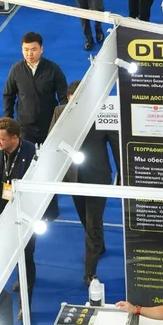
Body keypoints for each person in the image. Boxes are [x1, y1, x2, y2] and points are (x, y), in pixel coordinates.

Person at [50, 81, 118, 283]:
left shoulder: (103, 112)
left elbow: (115, 143)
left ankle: (90, 272)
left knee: (93, 223)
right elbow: (52, 142)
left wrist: (122, 174)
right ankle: (99, 246)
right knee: (85, 219)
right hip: (73, 177)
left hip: (98, 177)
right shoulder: (59, 112)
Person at [0, 117, 38, 316]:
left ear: (15, 138)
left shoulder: (32, 152)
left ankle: (24, 306)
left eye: (1, 139)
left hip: (24, 216)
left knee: (26, 257)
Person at [2, 31, 66, 145]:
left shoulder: (53, 69)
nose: (29, 54)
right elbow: (8, 95)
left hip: (49, 124)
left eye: (33, 49)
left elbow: (63, 96)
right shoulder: (16, 70)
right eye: (26, 50)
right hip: (24, 126)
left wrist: (63, 120)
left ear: (41, 49)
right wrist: (9, 119)